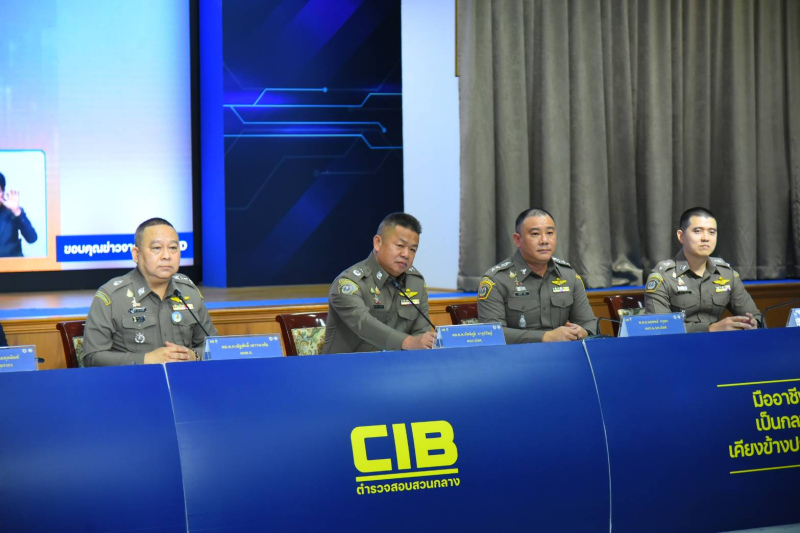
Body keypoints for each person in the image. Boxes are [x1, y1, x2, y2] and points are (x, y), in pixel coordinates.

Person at [82, 218, 217, 366]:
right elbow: (92, 358)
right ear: (136, 254)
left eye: (173, 248)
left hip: (184, 379)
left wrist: (194, 355)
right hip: (132, 380)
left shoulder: (189, 292)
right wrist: (146, 359)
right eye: (157, 248)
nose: (166, 256)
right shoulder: (112, 296)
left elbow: (215, 347)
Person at [322, 212, 437, 354]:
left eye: (413, 249)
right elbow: (364, 325)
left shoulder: (416, 282)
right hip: (348, 365)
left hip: (398, 366)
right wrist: (408, 342)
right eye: (400, 245)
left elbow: (421, 334)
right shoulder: (349, 283)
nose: (406, 254)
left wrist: (421, 343)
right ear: (378, 243)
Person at [477, 208, 597, 343]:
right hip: (517, 355)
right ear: (517, 240)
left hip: (563, 353)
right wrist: (544, 337)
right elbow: (491, 333)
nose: (544, 240)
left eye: (550, 233)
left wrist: (583, 331)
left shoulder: (568, 275)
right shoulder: (496, 280)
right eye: (535, 234)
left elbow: (590, 323)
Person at [644, 207, 761, 332]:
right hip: (678, 344)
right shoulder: (663, 277)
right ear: (681, 236)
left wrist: (753, 323)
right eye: (698, 231)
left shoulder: (726, 273)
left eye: (712, 232)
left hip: (719, 343)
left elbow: (756, 317)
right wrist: (710, 329)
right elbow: (659, 328)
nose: (706, 238)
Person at [0, 172, 38, 257]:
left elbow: (32, 238)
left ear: (3, 192)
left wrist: (17, 211)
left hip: (13, 263)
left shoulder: (12, 211)